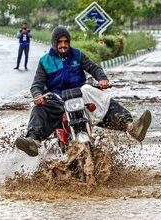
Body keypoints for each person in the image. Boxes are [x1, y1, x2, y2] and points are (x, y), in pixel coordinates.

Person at [14, 26, 152, 157]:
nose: (63, 45)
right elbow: (36, 85)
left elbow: (94, 68)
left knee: (101, 98)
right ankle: (33, 141)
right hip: (58, 100)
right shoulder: (45, 61)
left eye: (66, 41)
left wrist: (102, 79)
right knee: (38, 109)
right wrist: (38, 95)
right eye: (59, 42)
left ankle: (132, 127)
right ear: (54, 43)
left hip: (80, 95)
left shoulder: (77, 55)